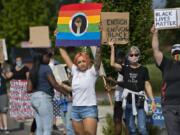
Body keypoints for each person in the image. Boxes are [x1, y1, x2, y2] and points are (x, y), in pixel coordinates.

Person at [108, 40, 156, 135]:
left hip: (140, 100)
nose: (134, 56)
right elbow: (112, 64)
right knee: (131, 128)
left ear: (139, 56)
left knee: (142, 128)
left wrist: (153, 100)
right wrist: (112, 47)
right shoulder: (125, 68)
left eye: (136, 54)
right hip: (128, 100)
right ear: (128, 57)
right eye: (131, 55)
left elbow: (147, 84)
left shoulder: (144, 69)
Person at [59, 46, 101, 135]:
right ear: (76, 64)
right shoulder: (75, 71)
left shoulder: (92, 72)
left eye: (83, 61)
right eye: (79, 62)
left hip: (89, 109)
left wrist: (99, 45)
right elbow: (64, 55)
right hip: (75, 110)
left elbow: (97, 58)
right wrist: (58, 38)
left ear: (88, 61)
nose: (81, 63)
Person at [27, 51, 71, 135]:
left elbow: (28, 89)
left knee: (39, 128)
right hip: (44, 99)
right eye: (48, 56)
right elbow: (54, 84)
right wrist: (67, 93)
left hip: (34, 98)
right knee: (47, 129)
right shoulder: (46, 67)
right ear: (42, 57)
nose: (49, 58)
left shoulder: (33, 69)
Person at [151, 25, 180, 135]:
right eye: (176, 53)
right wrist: (155, 33)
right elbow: (156, 50)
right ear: (172, 54)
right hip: (170, 107)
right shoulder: (166, 64)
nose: (178, 55)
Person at [0, 64, 9, 134]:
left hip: (3, 94)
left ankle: (5, 128)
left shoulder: (2, 74)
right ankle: (1, 127)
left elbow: (8, 76)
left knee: (4, 112)